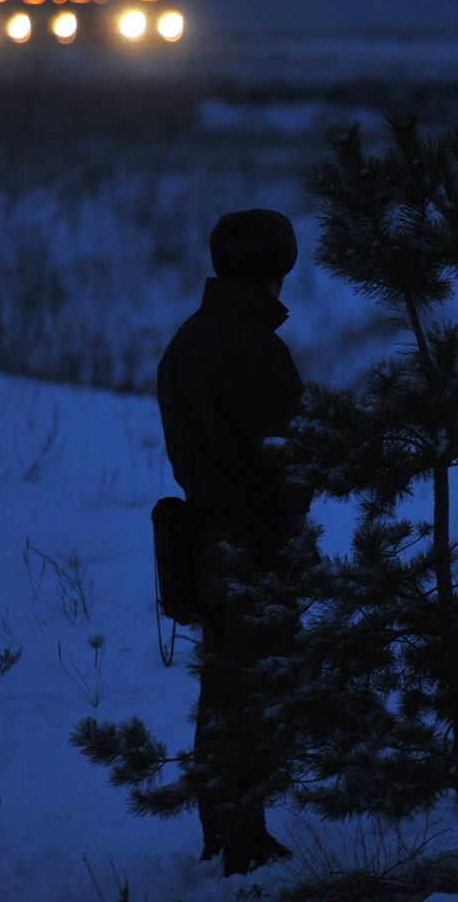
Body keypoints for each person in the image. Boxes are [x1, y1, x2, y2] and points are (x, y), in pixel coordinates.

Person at [156, 209, 309, 876]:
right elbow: (293, 456)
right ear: (280, 269)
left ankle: (223, 828)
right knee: (255, 689)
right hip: (255, 544)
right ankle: (244, 841)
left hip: (205, 538)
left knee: (225, 685)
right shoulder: (252, 347)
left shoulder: (189, 339)